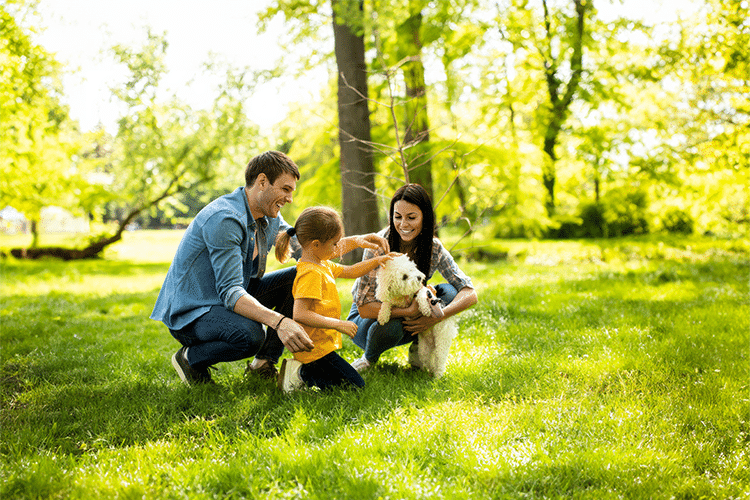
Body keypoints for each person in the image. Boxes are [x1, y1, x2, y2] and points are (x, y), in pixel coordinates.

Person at [150, 151, 388, 386]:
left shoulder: (268, 215)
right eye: (285, 189)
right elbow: (230, 292)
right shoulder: (226, 220)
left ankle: (263, 364)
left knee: (300, 274)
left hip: (226, 297)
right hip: (194, 312)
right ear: (262, 182)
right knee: (250, 335)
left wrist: (356, 240)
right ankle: (191, 359)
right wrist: (280, 322)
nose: (290, 199)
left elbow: (308, 252)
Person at [347, 183, 478, 372]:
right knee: (391, 326)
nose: (403, 224)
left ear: (424, 217)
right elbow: (364, 308)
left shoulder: (433, 247)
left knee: (448, 292)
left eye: (411, 217)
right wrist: (409, 311)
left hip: (408, 308)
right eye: (397, 217)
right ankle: (367, 359)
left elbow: (470, 292)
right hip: (369, 322)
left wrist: (436, 318)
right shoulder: (378, 245)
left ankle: (418, 350)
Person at [273, 206, 399, 392]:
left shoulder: (321, 263)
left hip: (321, 348)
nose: (338, 248)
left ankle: (306, 372)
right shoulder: (310, 273)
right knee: (354, 387)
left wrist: (377, 260)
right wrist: (338, 324)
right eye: (334, 244)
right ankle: (300, 374)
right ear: (316, 245)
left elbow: (349, 271)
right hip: (313, 351)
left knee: (351, 384)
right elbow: (300, 314)